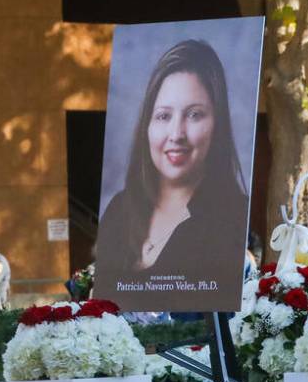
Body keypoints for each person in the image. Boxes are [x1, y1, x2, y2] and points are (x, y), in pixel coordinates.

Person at [95, 39, 248, 306]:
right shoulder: (119, 211)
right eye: (164, 116)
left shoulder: (235, 218)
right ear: (147, 126)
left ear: (217, 124)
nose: (176, 134)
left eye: (194, 115)